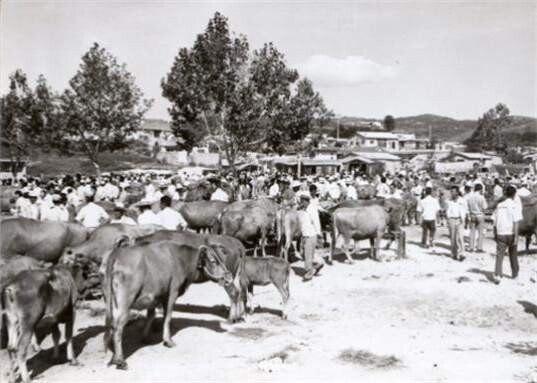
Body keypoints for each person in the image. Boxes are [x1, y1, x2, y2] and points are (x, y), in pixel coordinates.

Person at [492, 185, 523, 284]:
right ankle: (515, 274)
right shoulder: (515, 205)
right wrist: (516, 237)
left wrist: (495, 233)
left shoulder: (499, 206)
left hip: (501, 232)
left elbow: (494, 221)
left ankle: (498, 274)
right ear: (514, 195)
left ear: (505, 194)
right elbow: (516, 222)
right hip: (511, 233)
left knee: (499, 255)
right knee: (513, 254)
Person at [297, 195, 324, 281]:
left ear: (305, 201)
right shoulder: (303, 209)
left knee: (308, 255)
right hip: (304, 235)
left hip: (310, 235)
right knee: (303, 253)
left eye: (302, 201)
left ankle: (309, 273)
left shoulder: (312, 209)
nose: (301, 203)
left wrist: (319, 234)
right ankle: (318, 264)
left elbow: (316, 222)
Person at [445, 185, 467, 261]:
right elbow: (447, 211)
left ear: (457, 192)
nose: (452, 193)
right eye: (451, 191)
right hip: (451, 219)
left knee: (460, 237)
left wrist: (464, 220)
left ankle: (462, 253)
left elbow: (465, 211)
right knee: (453, 237)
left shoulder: (462, 200)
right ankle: (454, 253)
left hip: (459, 220)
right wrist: (448, 219)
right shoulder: (449, 201)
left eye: (453, 191)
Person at [466, 183, 487, 253]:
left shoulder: (470, 197)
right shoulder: (481, 197)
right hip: (480, 215)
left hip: (472, 215)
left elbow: (468, 207)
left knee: (472, 232)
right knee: (480, 232)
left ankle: (471, 247)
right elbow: (485, 207)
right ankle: (479, 248)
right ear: (480, 189)